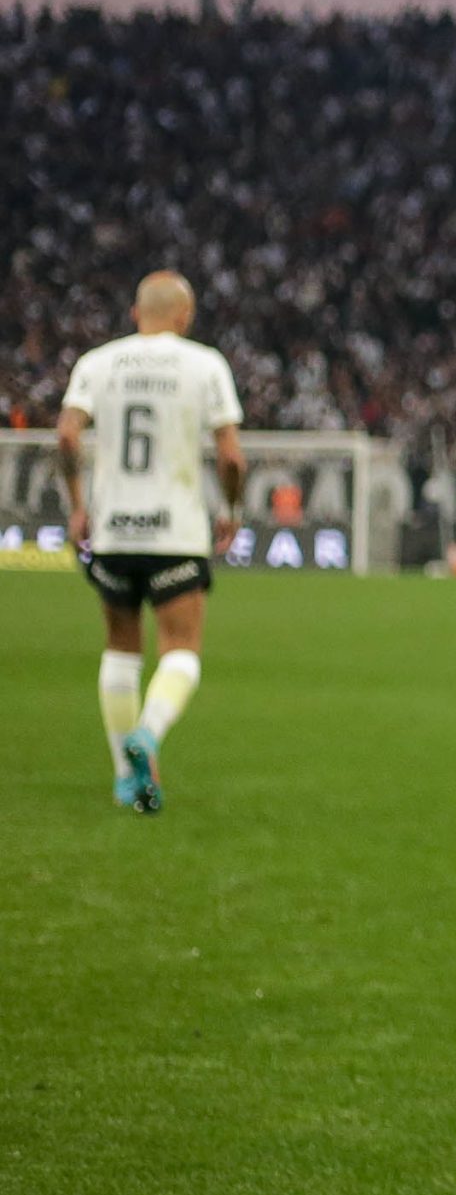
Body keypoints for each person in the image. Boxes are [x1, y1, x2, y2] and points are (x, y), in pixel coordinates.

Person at [56, 271, 246, 814]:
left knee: (120, 650)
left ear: (136, 314)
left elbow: (67, 434)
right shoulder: (205, 363)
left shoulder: (98, 362)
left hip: (114, 530)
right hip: (176, 532)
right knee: (181, 650)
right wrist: (231, 509)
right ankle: (149, 733)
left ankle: (126, 778)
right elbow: (232, 457)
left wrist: (76, 503)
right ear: (184, 318)